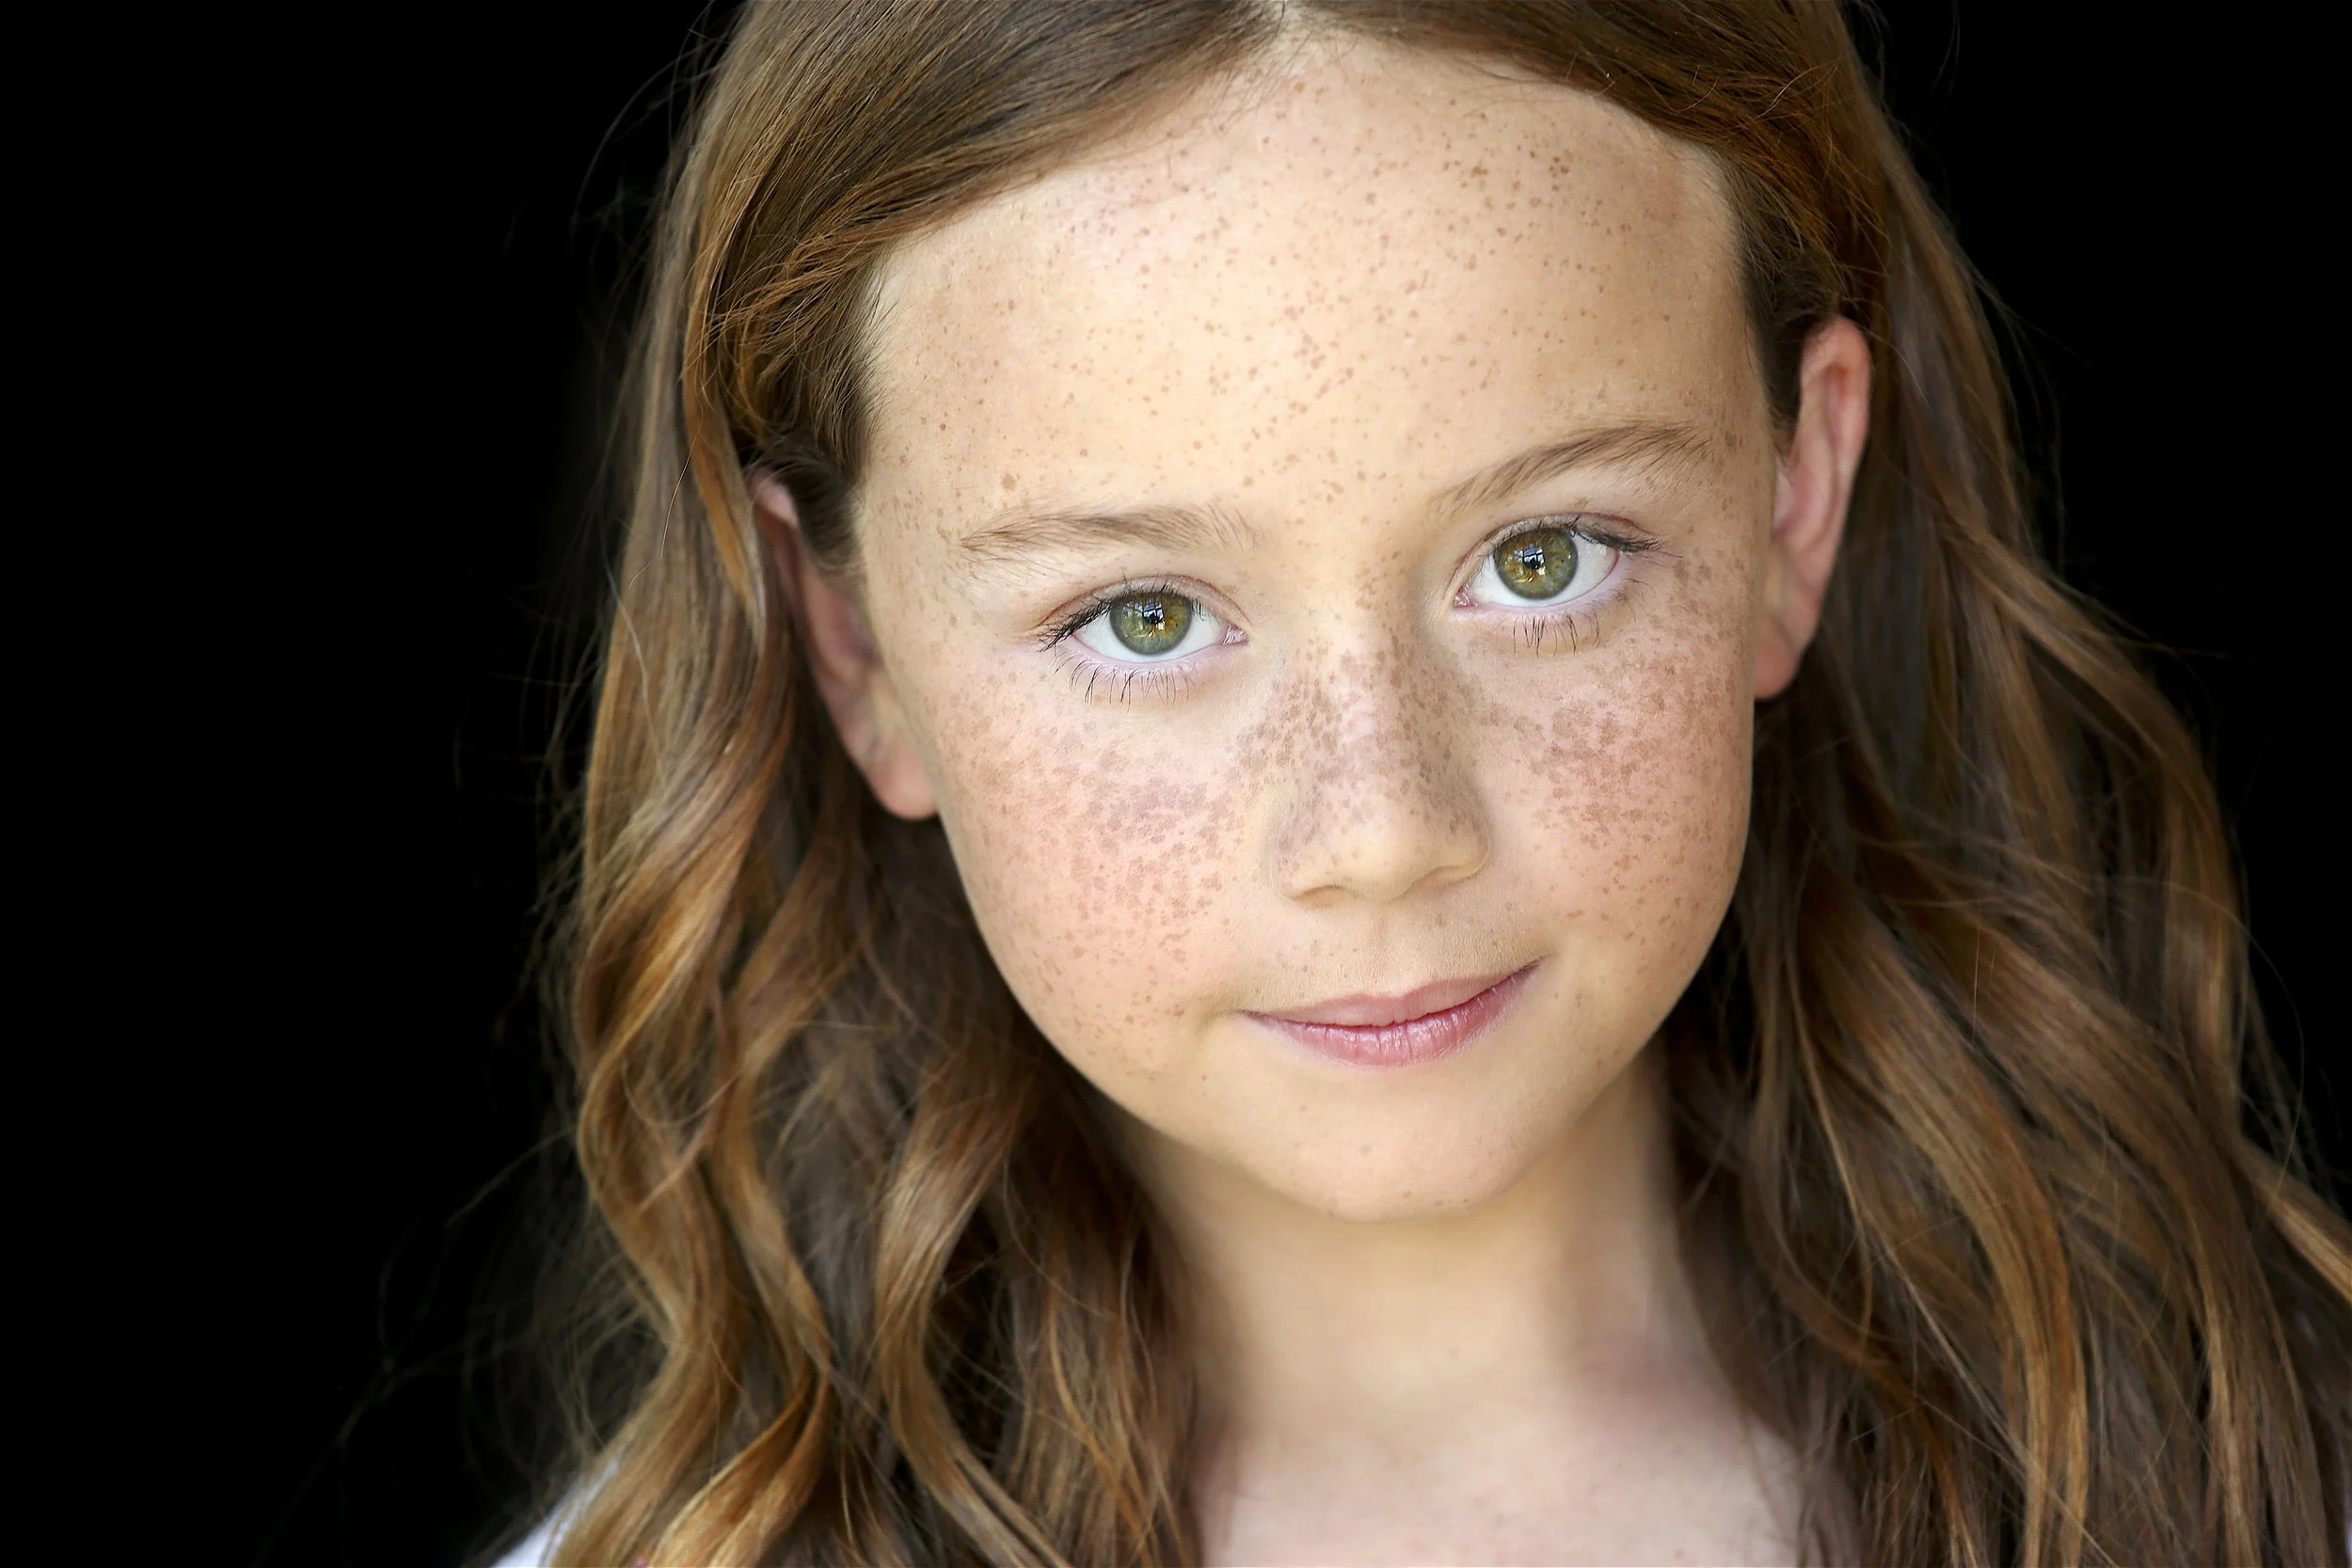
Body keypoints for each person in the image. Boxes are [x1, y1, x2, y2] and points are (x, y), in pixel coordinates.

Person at [495, 3, 2352, 1563]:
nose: (1380, 829)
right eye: (1141, 616)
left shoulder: (2269, 1464)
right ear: (852, 646)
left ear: (1795, 498)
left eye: (1542, 561)